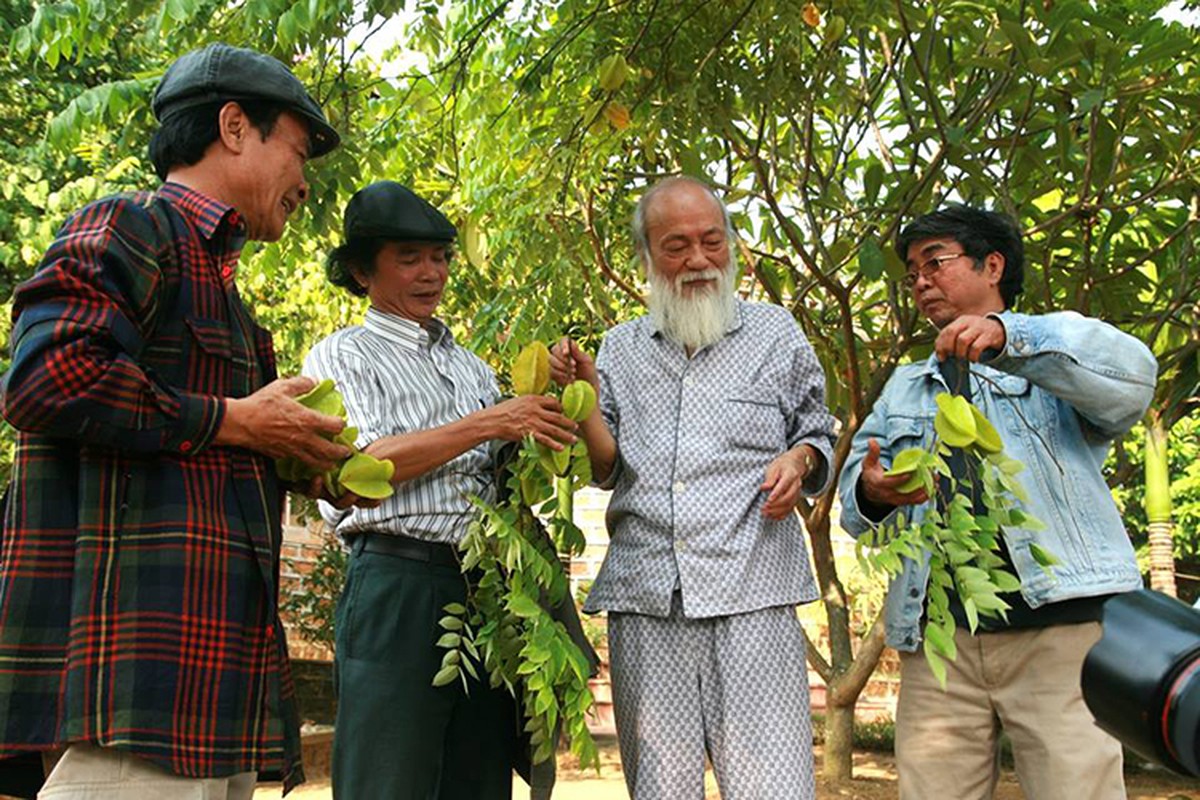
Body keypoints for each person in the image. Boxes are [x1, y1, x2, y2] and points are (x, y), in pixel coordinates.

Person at [0, 43, 352, 799]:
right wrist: (234, 421)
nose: (303, 181)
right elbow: (42, 379)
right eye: (297, 151)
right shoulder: (130, 227)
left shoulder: (230, 300)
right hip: (133, 691)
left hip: (215, 696)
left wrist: (298, 456)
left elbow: (196, 449)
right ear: (233, 126)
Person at [838, 205, 1158, 800]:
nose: (921, 282)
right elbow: (856, 511)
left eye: (935, 262)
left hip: (1059, 633)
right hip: (940, 640)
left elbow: (1135, 381)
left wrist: (1014, 340)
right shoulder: (907, 385)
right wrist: (873, 492)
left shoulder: (1054, 357)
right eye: (911, 273)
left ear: (992, 264)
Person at [548, 176, 836, 799]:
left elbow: (819, 436)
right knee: (660, 790)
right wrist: (588, 401)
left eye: (713, 240)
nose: (699, 260)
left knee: (775, 789)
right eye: (676, 246)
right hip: (648, 600)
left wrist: (799, 460)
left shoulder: (775, 333)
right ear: (647, 257)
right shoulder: (621, 348)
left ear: (732, 244)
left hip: (753, 594)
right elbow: (607, 469)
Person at [304, 180, 579, 799]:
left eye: (441, 257)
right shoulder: (343, 355)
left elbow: (503, 471)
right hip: (397, 586)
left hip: (484, 590)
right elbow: (359, 471)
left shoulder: (470, 365)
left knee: (478, 782)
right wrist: (492, 421)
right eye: (410, 258)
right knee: (387, 784)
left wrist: (550, 407)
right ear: (360, 270)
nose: (432, 273)